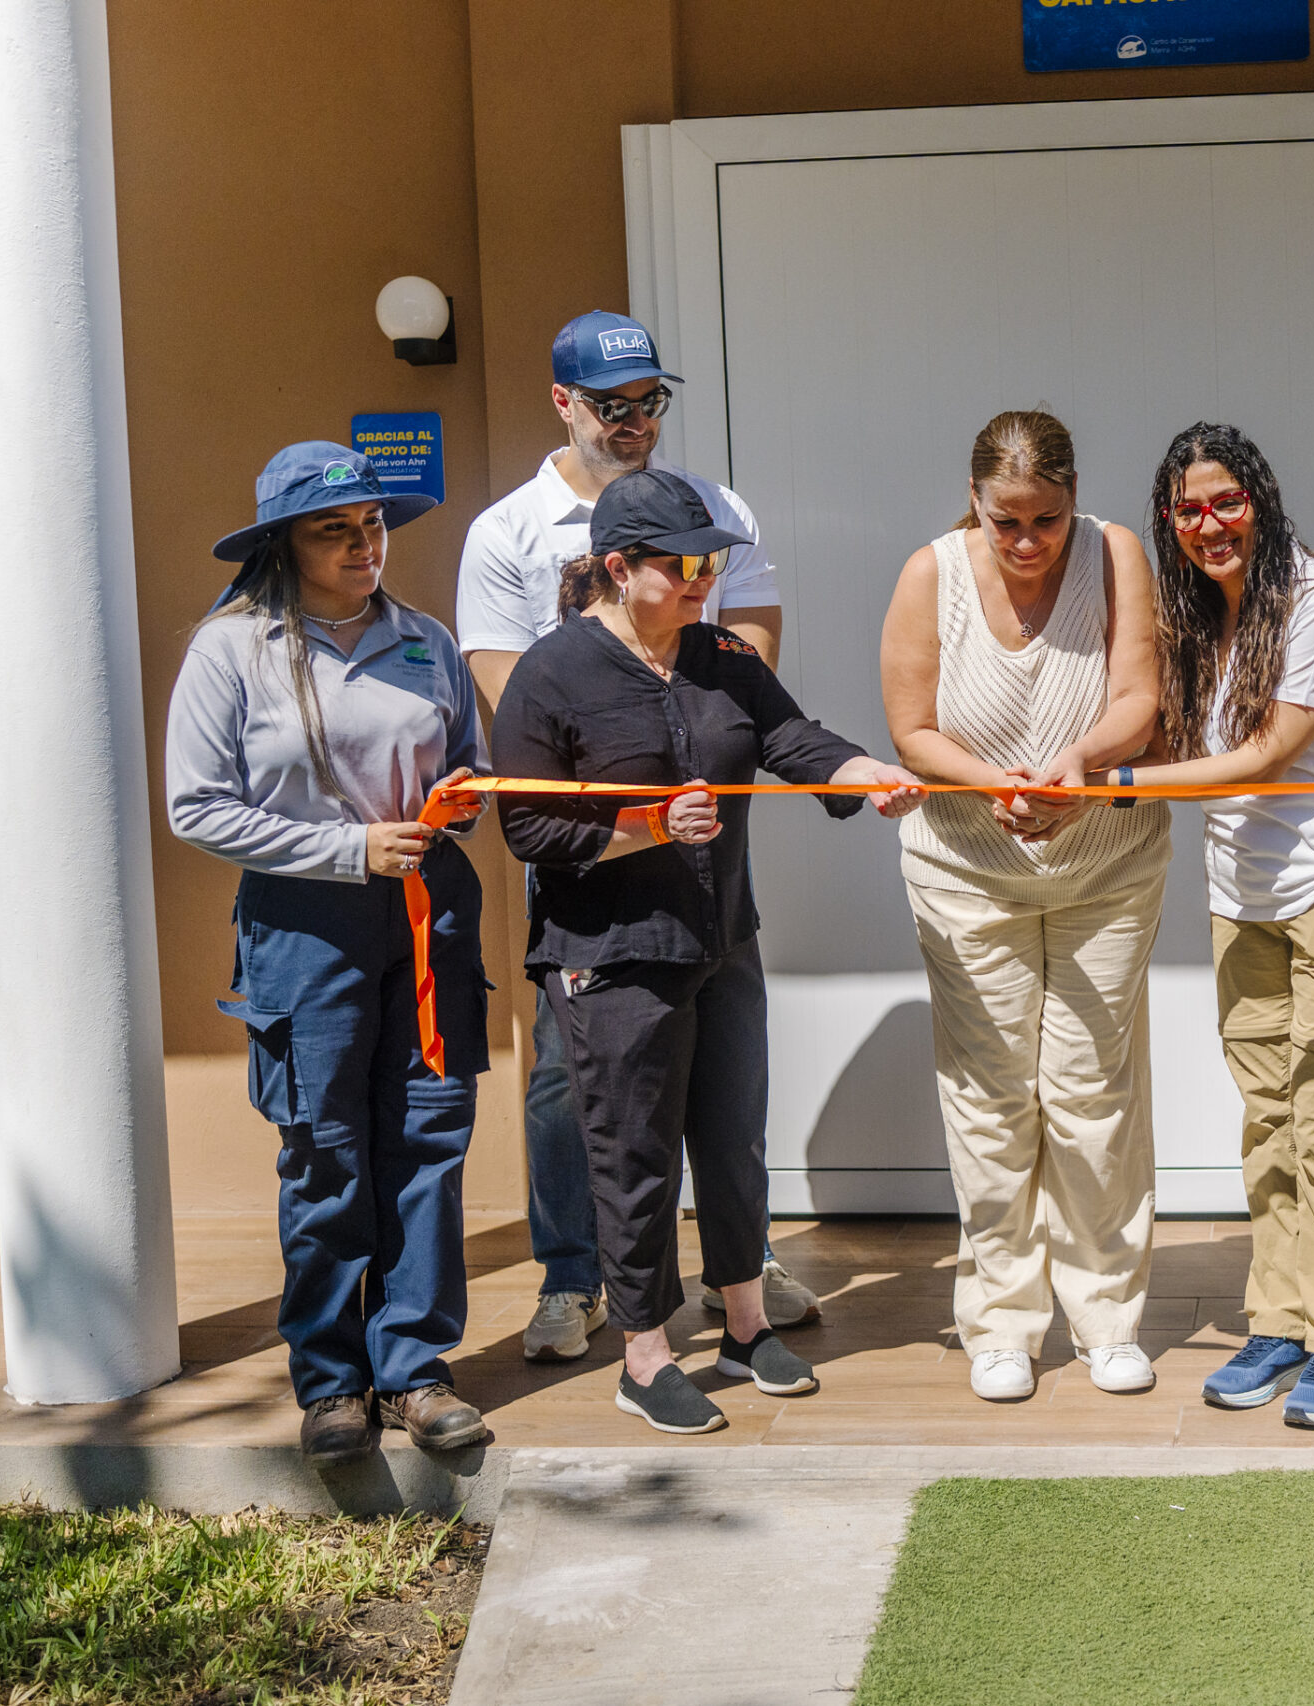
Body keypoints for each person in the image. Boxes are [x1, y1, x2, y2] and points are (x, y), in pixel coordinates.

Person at [494, 468, 922, 1435]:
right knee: (634, 1152)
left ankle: (740, 1324)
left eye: (710, 563)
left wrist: (861, 772)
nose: (701, 580)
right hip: (613, 954)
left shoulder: (720, 654)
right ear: (617, 568)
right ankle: (643, 1357)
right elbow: (525, 826)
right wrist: (642, 827)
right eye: (682, 565)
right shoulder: (551, 673)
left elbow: (790, 736)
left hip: (724, 940)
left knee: (731, 1140)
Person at [454, 310, 823, 1364]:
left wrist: (696, 764)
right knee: (578, 1076)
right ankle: (578, 1278)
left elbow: (743, 655)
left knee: (720, 1065)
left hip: (705, 845)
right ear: (563, 403)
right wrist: (620, 796)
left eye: (650, 402)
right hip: (591, 842)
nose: (635, 423)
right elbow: (505, 686)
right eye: (612, 405)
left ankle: (735, 1271)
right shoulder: (507, 531)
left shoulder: (712, 509)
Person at [166, 442, 494, 1463]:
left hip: (428, 916)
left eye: (373, 525)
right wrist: (349, 848)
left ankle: (415, 1369)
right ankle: (331, 1377)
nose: (363, 545)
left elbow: (468, 760)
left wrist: (465, 799)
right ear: (284, 543)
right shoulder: (232, 649)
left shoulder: (425, 638)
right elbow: (194, 805)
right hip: (305, 927)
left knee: (426, 1143)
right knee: (326, 1154)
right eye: (334, 530)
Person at [1109, 424, 1314, 1430]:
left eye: (1226, 502)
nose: (1209, 524)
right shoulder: (1198, 613)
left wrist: (1111, 787)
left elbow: (1261, 758)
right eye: (1189, 509)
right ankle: (1280, 1317)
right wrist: (1064, 763)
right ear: (1171, 519)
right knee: (1270, 1115)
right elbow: (1162, 728)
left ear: (1261, 501)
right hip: (1243, 888)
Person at [879, 409, 1170, 1403]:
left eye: (1045, 519)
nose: (1026, 541)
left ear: (1075, 498)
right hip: (967, 868)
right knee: (993, 1095)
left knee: (1093, 1095)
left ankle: (1108, 1318)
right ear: (975, 501)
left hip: (1106, 866)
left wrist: (1079, 763)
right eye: (1006, 520)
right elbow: (911, 727)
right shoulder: (931, 573)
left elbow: (1140, 695)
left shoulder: (1116, 552)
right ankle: (1001, 1323)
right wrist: (995, 781)